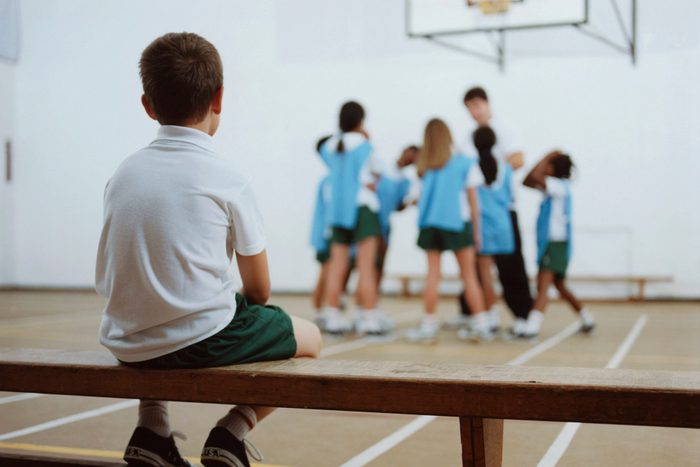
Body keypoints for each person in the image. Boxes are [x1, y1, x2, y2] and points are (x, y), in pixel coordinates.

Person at [95, 32, 322, 467]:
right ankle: (231, 433)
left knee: (158, 309)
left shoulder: (122, 175)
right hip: (196, 340)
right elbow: (259, 291)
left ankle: (152, 427)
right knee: (310, 339)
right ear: (219, 97)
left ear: (148, 105)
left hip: (126, 341)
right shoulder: (226, 177)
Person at [405, 118, 492, 343]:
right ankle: (482, 324)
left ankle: (428, 325)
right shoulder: (465, 162)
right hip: (458, 224)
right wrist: (477, 232)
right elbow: (474, 202)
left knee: (433, 275)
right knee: (469, 275)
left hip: (431, 224)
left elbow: (415, 198)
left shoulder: (424, 167)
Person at [456, 86, 533, 336]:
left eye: (478, 105)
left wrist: (491, 168)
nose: (475, 111)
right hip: (479, 212)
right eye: (470, 107)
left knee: (509, 267)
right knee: (479, 271)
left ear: (487, 104)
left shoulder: (504, 130)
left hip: (498, 211)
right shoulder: (468, 137)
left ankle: (522, 314)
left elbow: (519, 158)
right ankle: (478, 312)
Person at [318, 102, 392, 335]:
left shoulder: (329, 146)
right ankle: (368, 317)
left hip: (338, 209)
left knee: (337, 265)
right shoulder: (364, 144)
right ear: (360, 120)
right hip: (362, 208)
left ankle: (332, 314)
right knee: (366, 265)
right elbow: (379, 171)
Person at [521, 151, 595, 337]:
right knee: (559, 286)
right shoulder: (554, 187)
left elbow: (535, 176)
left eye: (548, 165)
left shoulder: (557, 185)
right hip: (555, 244)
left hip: (555, 243)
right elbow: (527, 180)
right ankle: (586, 317)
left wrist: (545, 156)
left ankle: (532, 327)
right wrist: (546, 160)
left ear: (553, 168)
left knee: (543, 286)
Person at [473, 127, 516, 333]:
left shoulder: (472, 167)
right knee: (506, 275)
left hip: (483, 228)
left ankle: (492, 317)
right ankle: (517, 316)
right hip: (504, 226)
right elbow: (510, 198)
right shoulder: (506, 168)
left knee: (485, 277)